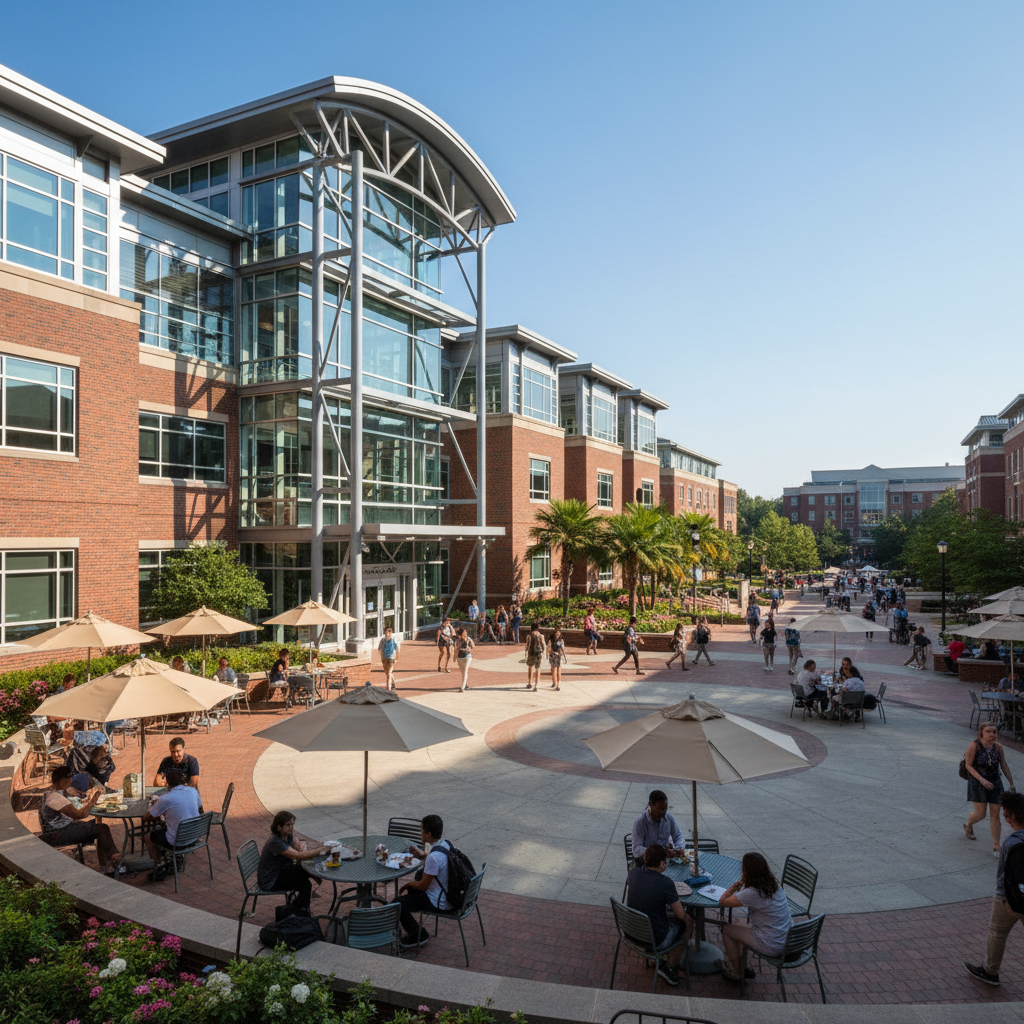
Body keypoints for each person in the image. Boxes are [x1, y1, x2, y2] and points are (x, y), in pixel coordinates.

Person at [964, 791, 1024, 986]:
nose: (1005, 818)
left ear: (1011, 817)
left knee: (998, 932)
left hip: (1008, 898)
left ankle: (990, 972)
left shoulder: (1011, 843)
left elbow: (1002, 875)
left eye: (1006, 814)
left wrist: (1000, 896)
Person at [716, 852, 794, 982]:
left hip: (773, 944)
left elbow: (723, 901)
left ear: (747, 871)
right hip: (787, 939)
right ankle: (741, 967)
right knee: (740, 928)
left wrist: (734, 887)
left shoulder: (752, 893)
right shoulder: (774, 885)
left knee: (727, 930)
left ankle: (736, 974)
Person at [625, 844, 693, 986]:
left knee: (665, 914)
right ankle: (671, 966)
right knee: (684, 923)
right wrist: (690, 922)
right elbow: (680, 914)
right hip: (654, 939)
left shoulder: (633, 873)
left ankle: (663, 959)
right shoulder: (666, 883)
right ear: (662, 863)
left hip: (631, 932)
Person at [38, 766, 122, 875]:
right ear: (63, 781)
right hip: (58, 833)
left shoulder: (50, 793)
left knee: (98, 824)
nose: (70, 783)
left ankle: (106, 865)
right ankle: (116, 860)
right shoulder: (54, 797)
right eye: (69, 780)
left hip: (58, 829)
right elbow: (80, 815)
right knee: (102, 829)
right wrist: (95, 798)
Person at [397, 814, 453, 949]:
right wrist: (422, 855)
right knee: (412, 889)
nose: (420, 832)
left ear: (428, 834)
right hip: (449, 893)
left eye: (421, 830)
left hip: (438, 901)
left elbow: (423, 886)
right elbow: (436, 857)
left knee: (397, 904)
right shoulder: (446, 844)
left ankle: (419, 935)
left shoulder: (433, 858)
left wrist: (407, 884)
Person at [257, 810, 328, 911]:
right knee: (305, 871)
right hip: (270, 881)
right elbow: (298, 856)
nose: (291, 827)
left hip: (281, 872)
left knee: (306, 880)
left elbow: (299, 842)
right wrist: (322, 850)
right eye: (288, 825)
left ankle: (300, 910)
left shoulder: (287, 835)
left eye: (292, 824)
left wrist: (301, 847)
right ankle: (301, 910)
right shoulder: (275, 842)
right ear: (279, 827)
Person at [964, 722, 1016, 853]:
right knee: (981, 814)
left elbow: (1004, 765)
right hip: (978, 781)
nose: (992, 734)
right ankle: (968, 824)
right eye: (988, 731)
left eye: (994, 732)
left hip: (995, 781)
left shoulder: (998, 748)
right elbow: (968, 765)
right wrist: (982, 780)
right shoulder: (974, 745)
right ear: (981, 733)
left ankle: (996, 844)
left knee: (995, 814)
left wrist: (1011, 783)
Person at [142, 768, 202, 867]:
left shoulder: (166, 798)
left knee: (148, 836)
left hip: (178, 840)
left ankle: (159, 865)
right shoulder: (193, 791)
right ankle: (169, 858)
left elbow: (147, 817)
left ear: (167, 783)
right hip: (194, 836)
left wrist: (156, 806)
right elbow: (198, 806)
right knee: (167, 826)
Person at [631, 789, 685, 859]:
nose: (663, 811)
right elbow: (636, 849)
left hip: (665, 859)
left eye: (665, 808)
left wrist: (679, 848)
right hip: (648, 860)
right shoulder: (640, 822)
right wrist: (658, 853)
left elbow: (678, 836)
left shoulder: (669, 818)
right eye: (660, 808)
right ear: (650, 805)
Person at [377, 625, 400, 691]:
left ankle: (388, 688)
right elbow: (379, 649)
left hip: (392, 658)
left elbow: (397, 650)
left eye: (390, 632)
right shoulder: (383, 640)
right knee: (387, 673)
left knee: (389, 674)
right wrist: (382, 656)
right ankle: (393, 684)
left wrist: (396, 659)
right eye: (387, 632)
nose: (389, 633)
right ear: (385, 633)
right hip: (385, 659)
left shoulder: (394, 640)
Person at [524, 622, 546, 689]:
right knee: (537, 668)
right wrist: (543, 651)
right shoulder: (541, 635)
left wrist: (526, 652)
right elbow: (543, 644)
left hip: (531, 653)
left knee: (530, 667)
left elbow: (527, 645)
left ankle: (529, 682)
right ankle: (536, 684)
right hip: (538, 653)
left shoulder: (529, 635)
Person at [455, 627, 475, 692]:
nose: (465, 634)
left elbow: (473, 646)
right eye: (463, 633)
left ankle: (462, 687)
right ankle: (465, 684)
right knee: (462, 671)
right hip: (460, 657)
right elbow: (456, 649)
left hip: (467, 656)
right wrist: (455, 657)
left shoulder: (469, 639)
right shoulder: (458, 640)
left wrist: (469, 649)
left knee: (465, 671)